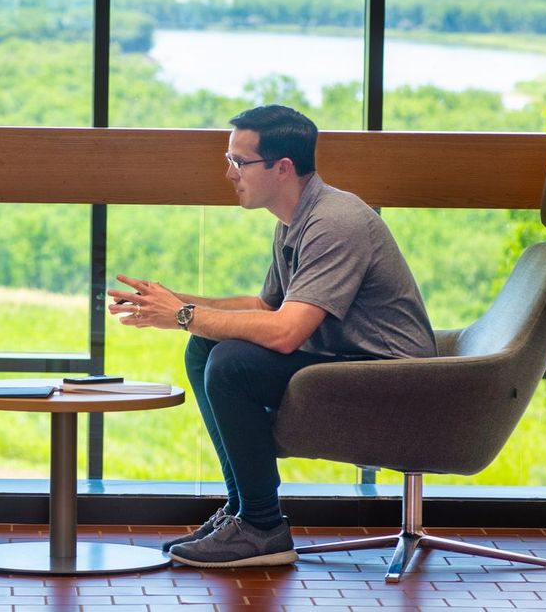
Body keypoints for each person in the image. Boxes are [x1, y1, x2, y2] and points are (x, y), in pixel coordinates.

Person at [108, 104, 436, 569]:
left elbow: (286, 332)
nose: (229, 174)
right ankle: (244, 511)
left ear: (282, 168)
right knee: (205, 347)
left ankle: (262, 526)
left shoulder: (335, 222)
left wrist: (182, 315)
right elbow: (267, 308)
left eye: (240, 162)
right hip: (349, 363)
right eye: (230, 160)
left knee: (232, 364)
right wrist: (176, 301)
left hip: (394, 383)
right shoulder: (295, 219)